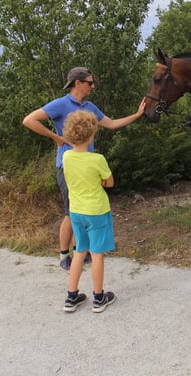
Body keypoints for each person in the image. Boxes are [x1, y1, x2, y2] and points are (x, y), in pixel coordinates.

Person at [22, 67, 146, 271]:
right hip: (67, 166)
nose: (93, 86)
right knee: (70, 212)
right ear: (77, 83)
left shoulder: (90, 106)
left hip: (87, 167)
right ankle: (64, 256)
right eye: (90, 82)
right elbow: (29, 120)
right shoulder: (61, 104)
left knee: (80, 210)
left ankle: (80, 250)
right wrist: (56, 138)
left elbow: (112, 124)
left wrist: (138, 114)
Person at [60, 110, 117, 313]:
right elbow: (109, 182)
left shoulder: (66, 157)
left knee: (79, 251)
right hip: (96, 211)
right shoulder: (97, 159)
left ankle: (71, 296)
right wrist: (100, 180)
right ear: (92, 134)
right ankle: (99, 297)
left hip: (76, 212)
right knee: (97, 254)